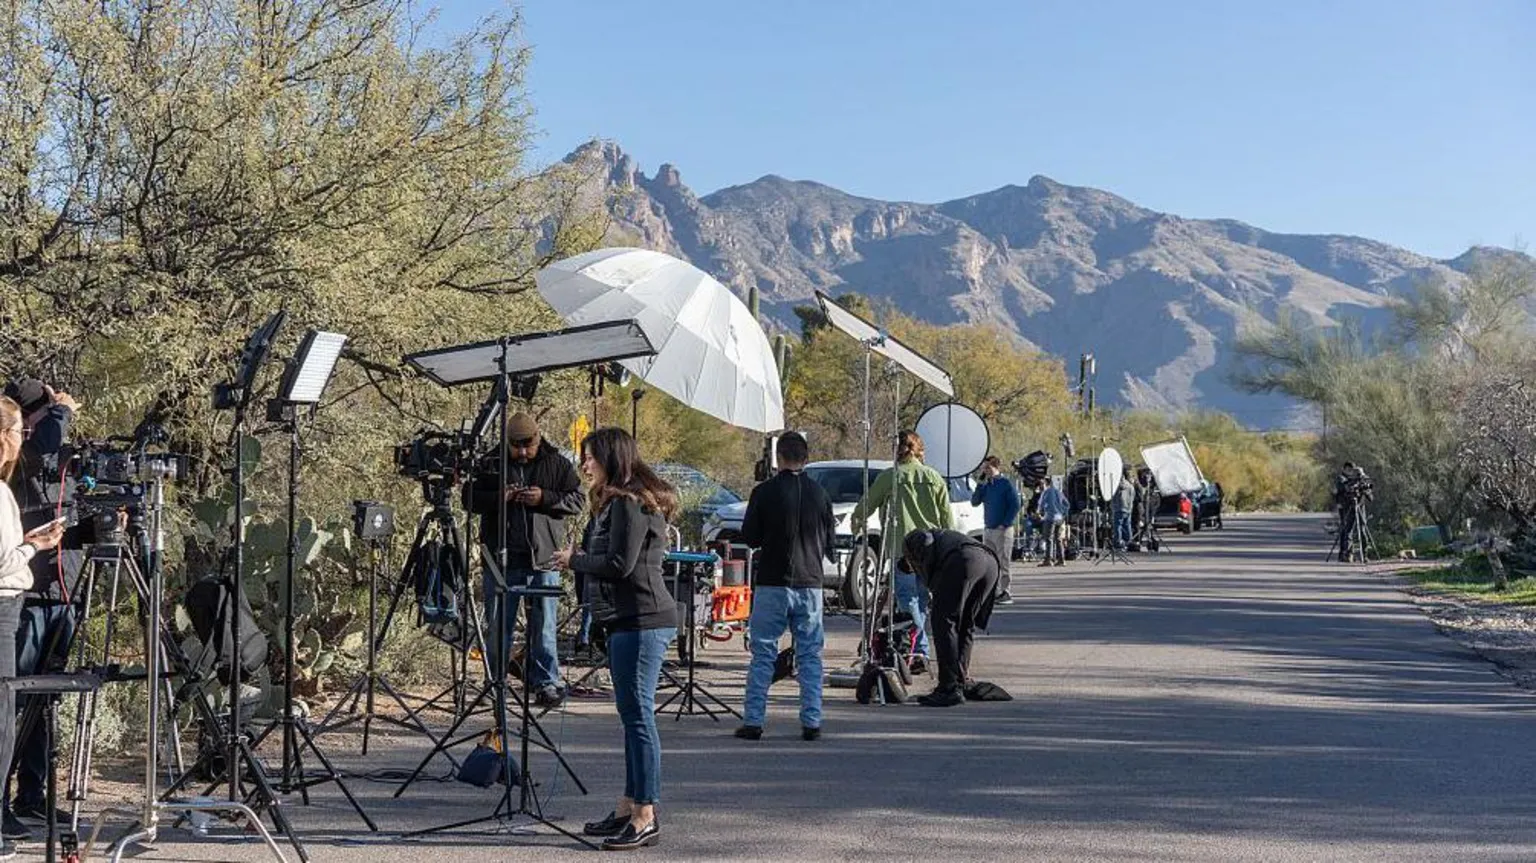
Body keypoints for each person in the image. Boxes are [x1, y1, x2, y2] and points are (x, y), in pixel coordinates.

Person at [554, 427, 676, 851]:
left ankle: (646, 815)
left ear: (611, 459)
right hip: (624, 621)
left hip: (643, 620)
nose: (584, 465)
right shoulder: (613, 503)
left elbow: (621, 563)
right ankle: (628, 805)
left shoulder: (629, 503)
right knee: (630, 716)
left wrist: (576, 560)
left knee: (639, 717)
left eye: (590, 457)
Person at [2, 379, 81, 840]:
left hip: (61, 593)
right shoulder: (26, 455)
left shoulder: (56, 460)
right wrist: (61, 410)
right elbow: (46, 440)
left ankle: (31, 795)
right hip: (23, 597)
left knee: (44, 702)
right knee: (9, 703)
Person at [467, 412, 583, 708]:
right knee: (498, 626)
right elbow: (468, 499)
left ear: (538, 437)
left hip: (544, 559)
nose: (521, 451)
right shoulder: (492, 463)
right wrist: (500, 498)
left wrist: (544, 497)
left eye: (527, 445)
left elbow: (578, 500)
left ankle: (546, 682)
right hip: (501, 559)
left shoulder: (557, 463)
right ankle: (495, 682)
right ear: (506, 441)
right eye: (515, 445)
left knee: (543, 625)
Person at [735, 431, 834, 742]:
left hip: (773, 582)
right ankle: (811, 720)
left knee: (763, 651)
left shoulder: (763, 492)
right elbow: (829, 543)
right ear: (806, 459)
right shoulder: (820, 493)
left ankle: (753, 720)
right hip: (810, 583)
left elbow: (750, 537)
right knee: (810, 655)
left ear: (777, 458)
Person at [850, 430, 953, 675]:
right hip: (931, 550)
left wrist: (856, 523)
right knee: (922, 601)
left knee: (908, 600)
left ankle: (919, 649)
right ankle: (917, 646)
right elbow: (946, 517)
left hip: (902, 550)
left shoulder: (890, 477)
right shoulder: (934, 477)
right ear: (919, 450)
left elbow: (867, 505)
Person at [901, 528, 1001, 707]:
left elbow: (925, 542)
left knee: (944, 622)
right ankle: (960, 681)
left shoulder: (912, 542)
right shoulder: (943, 538)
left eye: (911, 568)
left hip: (965, 560)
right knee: (965, 623)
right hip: (990, 563)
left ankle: (948, 687)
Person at [970, 456, 1020, 604]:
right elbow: (974, 502)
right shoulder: (987, 485)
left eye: (987, 468)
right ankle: (993, 590)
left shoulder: (1005, 484)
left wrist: (1005, 523)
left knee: (1003, 561)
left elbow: (1015, 505)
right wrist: (980, 484)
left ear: (995, 467)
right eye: (984, 468)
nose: (985, 471)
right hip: (989, 529)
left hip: (1002, 530)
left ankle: (1005, 591)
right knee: (990, 562)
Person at [1333, 462, 1369, 561]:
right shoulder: (1342, 480)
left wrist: (1365, 490)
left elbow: (1370, 497)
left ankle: (1364, 554)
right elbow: (1340, 491)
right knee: (1346, 530)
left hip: (1360, 508)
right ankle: (1347, 554)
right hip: (1348, 507)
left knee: (1362, 530)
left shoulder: (1361, 483)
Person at [1037, 477, 1068, 566]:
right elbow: (1066, 504)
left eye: (1042, 485)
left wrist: (1039, 514)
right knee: (1058, 539)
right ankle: (1061, 560)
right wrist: (1063, 514)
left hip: (1050, 517)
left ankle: (1048, 559)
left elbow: (1040, 505)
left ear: (1046, 484)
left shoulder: (1045, 493)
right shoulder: (1058, 492)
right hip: (1059, 518)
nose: (1040, 487)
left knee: (1049, 539)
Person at [1111, 466, 1136, 551]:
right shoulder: (1130, 486)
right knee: (1127, 525)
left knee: (1118, 525)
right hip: (1128, 508)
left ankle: (1118, 542)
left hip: (1119, 507)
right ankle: (1129, 542)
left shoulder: (1117, 486)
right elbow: (1133, 497)